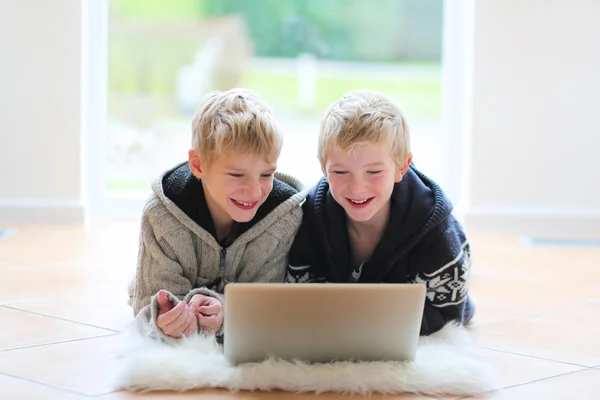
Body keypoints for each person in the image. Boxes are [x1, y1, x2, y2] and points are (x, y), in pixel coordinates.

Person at [285, 90, 474, 335]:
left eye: (373, 172)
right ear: (323, 167)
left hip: (430, 297)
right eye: (341, 172)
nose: (356, 187)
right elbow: (297, 294)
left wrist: (368, 322)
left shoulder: (436, 229)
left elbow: (448, 313)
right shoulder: (311, 215)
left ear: (401, 167)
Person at [130, 88, 306, 343]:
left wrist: (226, 311)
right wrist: (166, 319)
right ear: (199, 165)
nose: (255, 191)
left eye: (266, 175)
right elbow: (147, 308)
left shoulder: (284, 219)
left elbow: (266, 302)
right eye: (237, 175)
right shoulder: (160, 216)